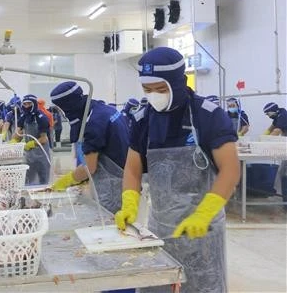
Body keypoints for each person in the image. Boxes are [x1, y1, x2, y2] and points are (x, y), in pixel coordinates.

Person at [115, 47, 239, 292]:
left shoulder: (208, 116)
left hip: (202, 230)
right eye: (147, 90)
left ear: (179, 82)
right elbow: (132, 169)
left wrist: (205, 213)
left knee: (202, 286)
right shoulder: (142, 119)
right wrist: (129, 203)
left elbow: (230, 170)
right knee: (156, 286)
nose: (153, 96)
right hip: (160, 227)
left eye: (161, 89)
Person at [49, 82, 130, 213]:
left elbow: (89, 167)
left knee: (110, 223)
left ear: (68, 105)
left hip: (113, 187)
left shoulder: (93, 124)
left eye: (60, 108)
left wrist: (66, 181)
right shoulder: (103, 109)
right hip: (126, 178)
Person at [12, 95, 51, 185]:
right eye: (25, 104)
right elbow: (18, 133)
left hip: (41, 154)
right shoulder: (24, 116)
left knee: (43, 181)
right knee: (28, 180)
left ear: (34, 104)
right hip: (29, 155)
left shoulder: (41, 118)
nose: (27, 106)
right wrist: (13, 141)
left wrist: (31, 144)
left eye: (29, 104)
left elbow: (44, 139)